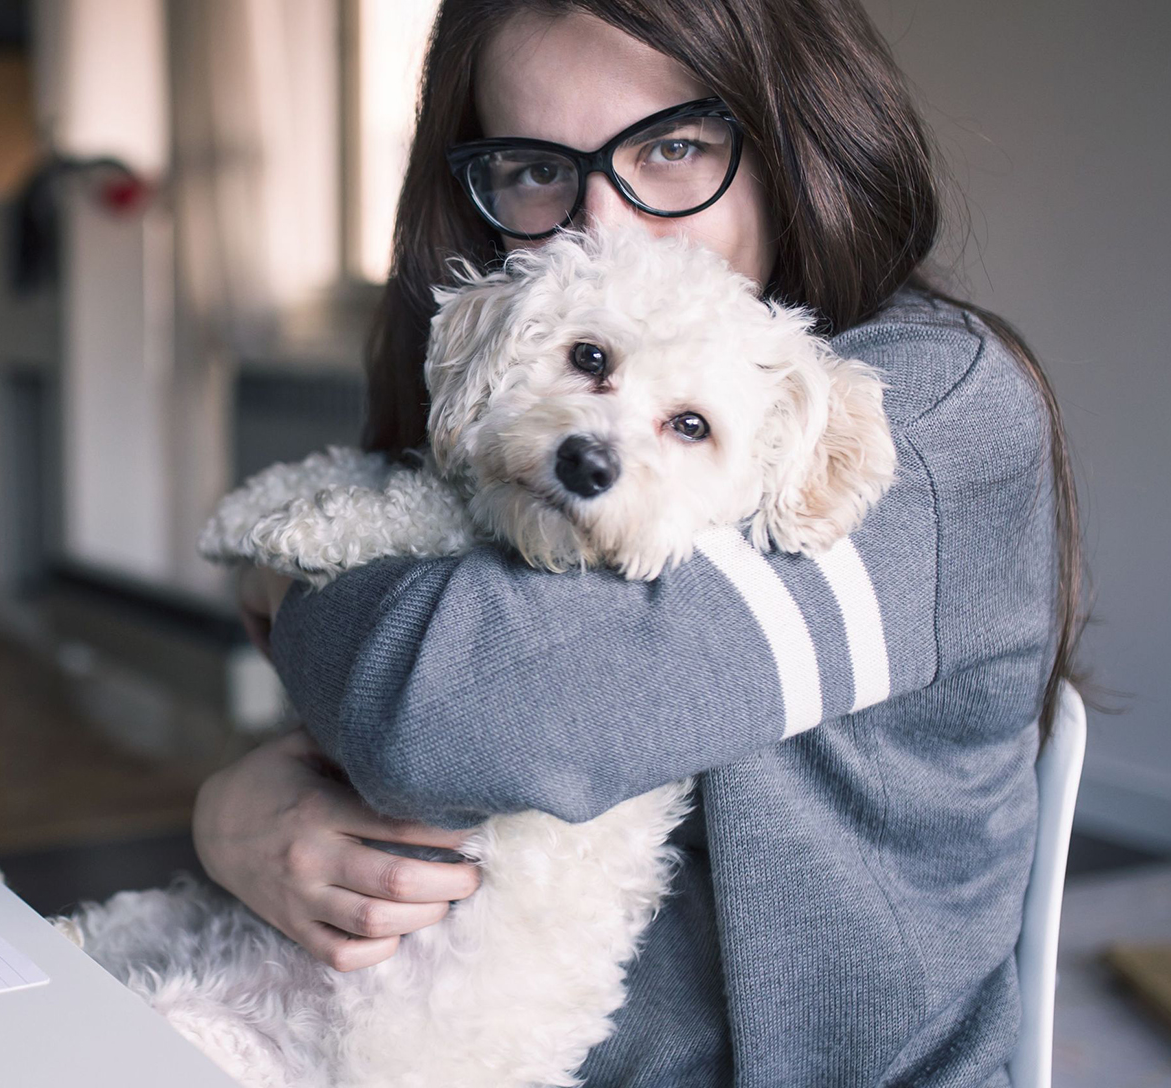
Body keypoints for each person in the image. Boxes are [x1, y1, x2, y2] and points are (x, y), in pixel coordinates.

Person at [191, 1, 1085, 1084]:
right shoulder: (548, 377)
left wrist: (287, 578)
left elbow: (450, 714)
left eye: (672, 148)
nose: (602, 233)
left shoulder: (918, 418)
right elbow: (385, 736)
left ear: (794, 130)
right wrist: (231, 822)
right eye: (534, 169)